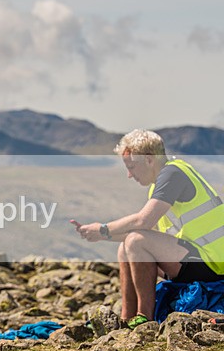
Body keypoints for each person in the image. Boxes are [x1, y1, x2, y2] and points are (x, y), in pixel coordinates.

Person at [74, 129, 224, 328]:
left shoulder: (173, 173)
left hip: (213, 263)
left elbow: (142, 222)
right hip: (196, 258)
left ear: (149, 159)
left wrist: (102, 229)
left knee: (136, 241)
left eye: (132, 167)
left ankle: (145, 318)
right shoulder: (160, 184)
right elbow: (141, 232)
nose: (129, 175)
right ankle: (127, 319)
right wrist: (99, 235)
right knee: (126, 246)